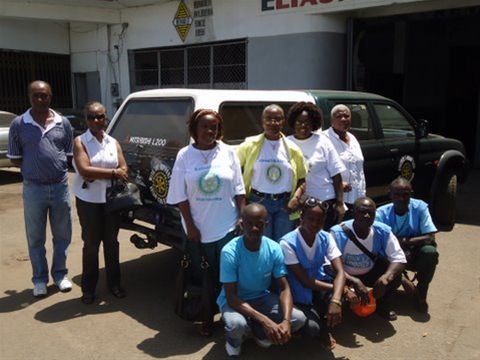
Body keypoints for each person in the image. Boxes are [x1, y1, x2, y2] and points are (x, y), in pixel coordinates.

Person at [167, 109, 246, 336]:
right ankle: (206, 317)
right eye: (204, 126)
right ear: (194, 129)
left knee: (228, 274)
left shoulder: (229, 152)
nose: (209, 131)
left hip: (227, 227)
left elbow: (239, 189)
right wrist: (190, 226)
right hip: (197, 230)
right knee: (202, 276)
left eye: (214, 127)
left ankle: (230, 316)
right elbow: (179, 195)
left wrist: (241, 217)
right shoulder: (184, 155)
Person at [7, 80, 73, 297]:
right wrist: (35, 168)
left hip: (60, 187)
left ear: (50, 97)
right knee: (36, 238)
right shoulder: (19, 124)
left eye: (44, 95)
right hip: (34, 189)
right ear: (29, 97)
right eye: (36, 95)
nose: (40, 99)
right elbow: (16, 159)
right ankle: (39, 279)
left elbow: (68, 154)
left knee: (62, 235)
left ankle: (60, 275)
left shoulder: (63, 123)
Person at [217, 203, 306, 357]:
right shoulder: (229, 252)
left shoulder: (274, 248)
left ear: (266, 224)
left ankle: (259, 333)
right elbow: (231, 296)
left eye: (259, 224)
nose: (254, 229)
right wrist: (265, 320)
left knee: (298, 319)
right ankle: (234, 342)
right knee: (236, 325)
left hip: (261, 297)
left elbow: (284, 288)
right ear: (242, 224)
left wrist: (285, 321)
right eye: (249, 224)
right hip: (236, 300)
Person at [73, 101, 129, 304]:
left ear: (106, 117)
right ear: (85, 119)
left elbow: (124, 169)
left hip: (110, 201)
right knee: (91, 245)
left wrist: (100, 174)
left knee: (112, 244)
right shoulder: (80, 142)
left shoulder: (113, 142)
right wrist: (113, 173)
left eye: (100, 116)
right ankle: (88, 289)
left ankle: (114, 284)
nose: (96, 120)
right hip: (89, 202)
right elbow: (85, 170)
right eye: (91, 117)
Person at [279, 197, 346, 350]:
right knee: (312, 329)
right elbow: (305, 282)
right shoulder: (287, 243)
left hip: (319, 287)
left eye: (320, 220)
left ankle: (325, 323)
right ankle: (313, 326)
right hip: (299, 293)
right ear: (301, 217)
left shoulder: (326, 237)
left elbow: (340, 271)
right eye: (311, 219)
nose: (315, 224)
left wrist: (336, 299)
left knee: (338, 296)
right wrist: (339, 290)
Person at [237, 104, 307, 241]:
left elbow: (302, 179)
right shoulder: (249, 145)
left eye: (277, 119)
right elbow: (235, 172)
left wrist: (296, 198)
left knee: (283, 244)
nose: (273, 122)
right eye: (268, 119)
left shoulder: (293, 149)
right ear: (262, 121)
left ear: (283, 122)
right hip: (258, 203)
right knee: (262, 243)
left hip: (285, 205)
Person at [330, 197, 407, 320]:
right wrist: (354, 280)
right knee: (328, 280)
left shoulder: (382, 230)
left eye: (371, 213)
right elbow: (328, 265)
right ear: (353, 213)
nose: (367, 216)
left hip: (369, 272)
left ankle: (381, 306)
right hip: (344, 275)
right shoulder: (337, 233)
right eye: (362, 211)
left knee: (394, 276)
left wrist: (385, 278)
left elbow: (399, 258)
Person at [376, 177, 438, 313]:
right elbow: (378, 243)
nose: (401, 198)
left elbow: (430, 236)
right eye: (397, 194)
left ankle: (421, 294)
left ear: (411, 194)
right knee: (377, 252)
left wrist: (403, 241)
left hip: (414, 251)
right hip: (390, 254)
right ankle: (393, 291)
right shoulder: (381, 213)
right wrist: (402, 277)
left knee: (430, 252)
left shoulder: (420, 207)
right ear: (390, 195)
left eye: (405, 194)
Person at [286, 102, 346, 230]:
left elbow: (337, 175)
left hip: (324, 202)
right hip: (298, 204)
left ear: (313, 123)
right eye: (299, 121)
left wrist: (340, 203)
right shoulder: (286, 143)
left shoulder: (323, 141)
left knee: (323, 238)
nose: (303, 125)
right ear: (293, 122)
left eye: (307, 122)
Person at [323, 104, 366, 219]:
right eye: (339, 116)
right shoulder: (324, 139)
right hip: (336, 200)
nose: (343, 119)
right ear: (332, 119)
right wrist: (337, 184)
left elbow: (359, 168)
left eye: (346, 116)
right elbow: (319, 168)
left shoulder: (353, 138)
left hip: (356, 198)